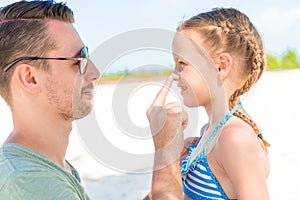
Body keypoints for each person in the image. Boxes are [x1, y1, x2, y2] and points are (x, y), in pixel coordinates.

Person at [0, 1, 185, 199]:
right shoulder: (30, 182)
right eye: (78, 61)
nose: (95, 73)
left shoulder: (45, 166)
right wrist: (166, 151)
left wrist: (170, 172)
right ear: (30, 78)